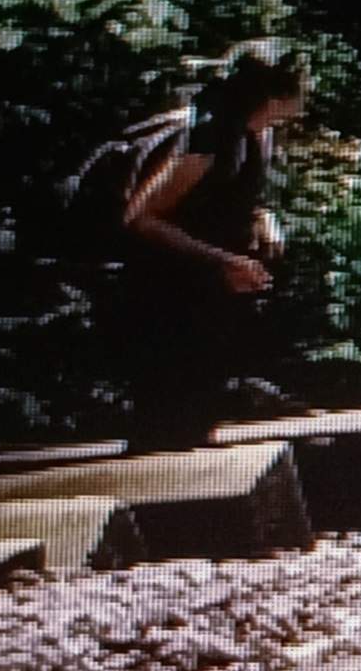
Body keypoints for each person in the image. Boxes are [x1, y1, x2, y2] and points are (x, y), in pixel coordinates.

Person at [109, 43, 309, 446]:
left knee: (201, 407)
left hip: (206, 293)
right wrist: (221, 259)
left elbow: (235, 199)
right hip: (163, 293)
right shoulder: (206, 143)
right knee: (165, 418)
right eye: (303, 87)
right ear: (274, 98)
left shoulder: (257, 134)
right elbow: (142, 218)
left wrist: (262, 221)